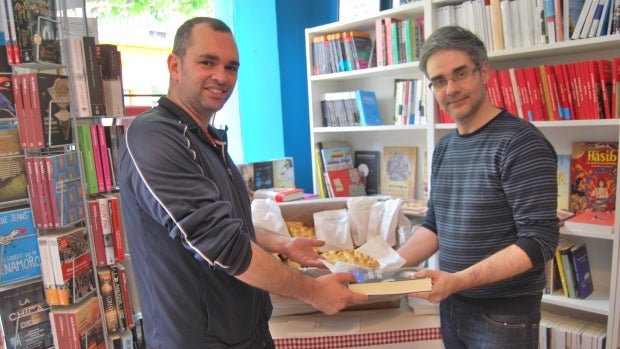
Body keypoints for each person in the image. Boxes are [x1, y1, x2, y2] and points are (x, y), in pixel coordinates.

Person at [117, 17, 368, 349]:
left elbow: (229, 224)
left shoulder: (204, 139)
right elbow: (222, 244)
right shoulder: (153, 136)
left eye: (231, 67)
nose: (222, 77)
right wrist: (315, 291)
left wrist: (282, 245)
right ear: (175, 66)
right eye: (207, 62)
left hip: (246, 335)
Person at [397, 26, 559, 348]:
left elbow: (540, 240)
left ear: (483, 70)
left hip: (504, 315)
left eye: (460, 74)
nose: (451, 88)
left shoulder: (520, 142)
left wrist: (457, 281)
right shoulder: (444, 148)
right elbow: (434, 226)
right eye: (439, 81)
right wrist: (382, 268)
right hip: (453, 305)